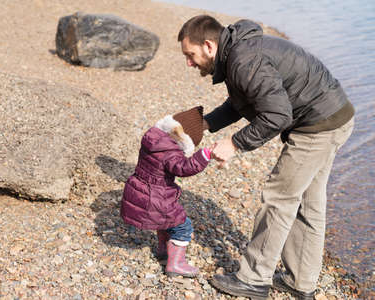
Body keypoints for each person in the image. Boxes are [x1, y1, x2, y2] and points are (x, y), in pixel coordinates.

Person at [177, 15, 355, 300]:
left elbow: (277, 115)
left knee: (279, 197)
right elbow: (244, 100)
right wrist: (205, 124)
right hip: (334, 116)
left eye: (190, 54)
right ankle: (301, 283)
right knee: (308, 202)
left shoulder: (244, 60)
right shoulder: (238, 52)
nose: (189, 62)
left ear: (209, 46)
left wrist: (235, 144)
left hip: (318, 126)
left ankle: (253, 279)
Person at [120, 106, 212, 278]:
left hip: (140, 189)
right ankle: (175, 264)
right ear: (186, 139)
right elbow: (184, 168)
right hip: (156, 198)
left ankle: (163, 250)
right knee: (183, 226)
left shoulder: (153, 141)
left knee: (166, 221)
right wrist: (204, 155)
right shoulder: (170, 152)